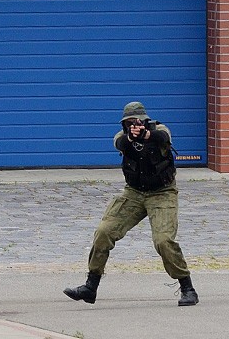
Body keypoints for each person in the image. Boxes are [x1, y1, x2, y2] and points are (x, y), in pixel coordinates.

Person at [63, 101, 199, 306]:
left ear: (146, 120)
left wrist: (146, 135)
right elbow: (119, 143)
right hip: (133, 193)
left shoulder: (159, 130)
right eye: (129, 122)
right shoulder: (122, 137)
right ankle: (91, 286)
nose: (134, 125)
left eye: (138, 122)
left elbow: (164, 137)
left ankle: (187, 288)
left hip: (162, 193)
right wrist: (131, 136)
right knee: (104, 231)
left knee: (163, 241)